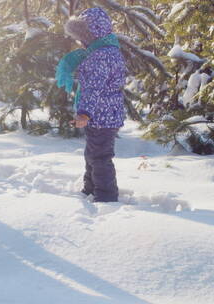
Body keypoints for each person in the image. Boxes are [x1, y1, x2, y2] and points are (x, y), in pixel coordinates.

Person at [57, 7, 127, 202]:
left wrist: (84, 113)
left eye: (82, 35)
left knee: (100, 157)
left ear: (91, 34)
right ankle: (90, 188)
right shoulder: (111, 50)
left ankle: (106, 196)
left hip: (100, 115)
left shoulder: (99, 56)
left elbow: (93, 88)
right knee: (93, 154)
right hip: (106, 114)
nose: (80, 40)